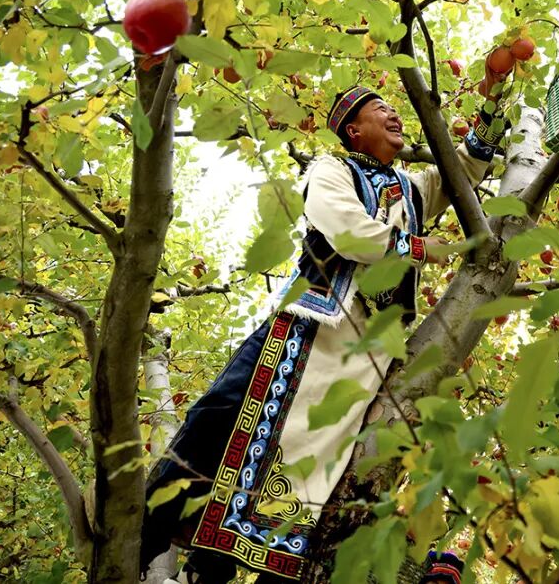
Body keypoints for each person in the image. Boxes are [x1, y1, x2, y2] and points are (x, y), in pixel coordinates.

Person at [140, 81, 505, 583]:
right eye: (383, 110)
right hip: (313, 319)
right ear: (354, 129)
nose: (396, 115)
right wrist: (422, 250)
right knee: (222, 414)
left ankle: (217, 566)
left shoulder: (411, 190)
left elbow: (458, 171)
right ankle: (143, 530)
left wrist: (491, 103)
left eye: (398, 109)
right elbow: (349, 232)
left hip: (368, 349)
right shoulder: (331, 169)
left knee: (311, 467)